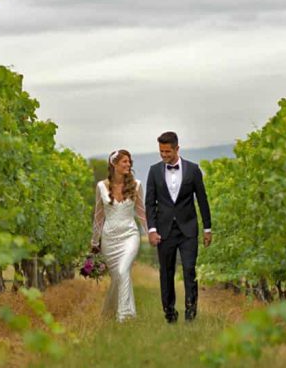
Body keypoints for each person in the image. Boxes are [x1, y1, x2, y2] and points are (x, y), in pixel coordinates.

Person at [145, 131, 212, 323]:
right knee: (166, 272)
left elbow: (202, 200)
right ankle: (169, 312)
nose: (164, 155)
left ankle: (191, 312)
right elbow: (150, 203)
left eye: (167, 151)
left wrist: (207, 228)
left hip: (188, 230)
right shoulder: (154, 171)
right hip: (164, 231)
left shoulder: (193, 170)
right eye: (161, 152)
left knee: (190, 269)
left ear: (177, 149)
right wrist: (151, 229)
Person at [91, 149, 147, 322]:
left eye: (130, 162)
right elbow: (99, 215)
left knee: (123, 271)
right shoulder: (101, 186)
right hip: (109, 238)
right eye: (124, 162)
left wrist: (150, 232)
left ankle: (124, 315)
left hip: (130, 235)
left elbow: (141, 212)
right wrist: (95, 241)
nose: (128, 165)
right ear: (114, 165)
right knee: (117, 277)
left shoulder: (136, 185)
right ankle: (111, 312)